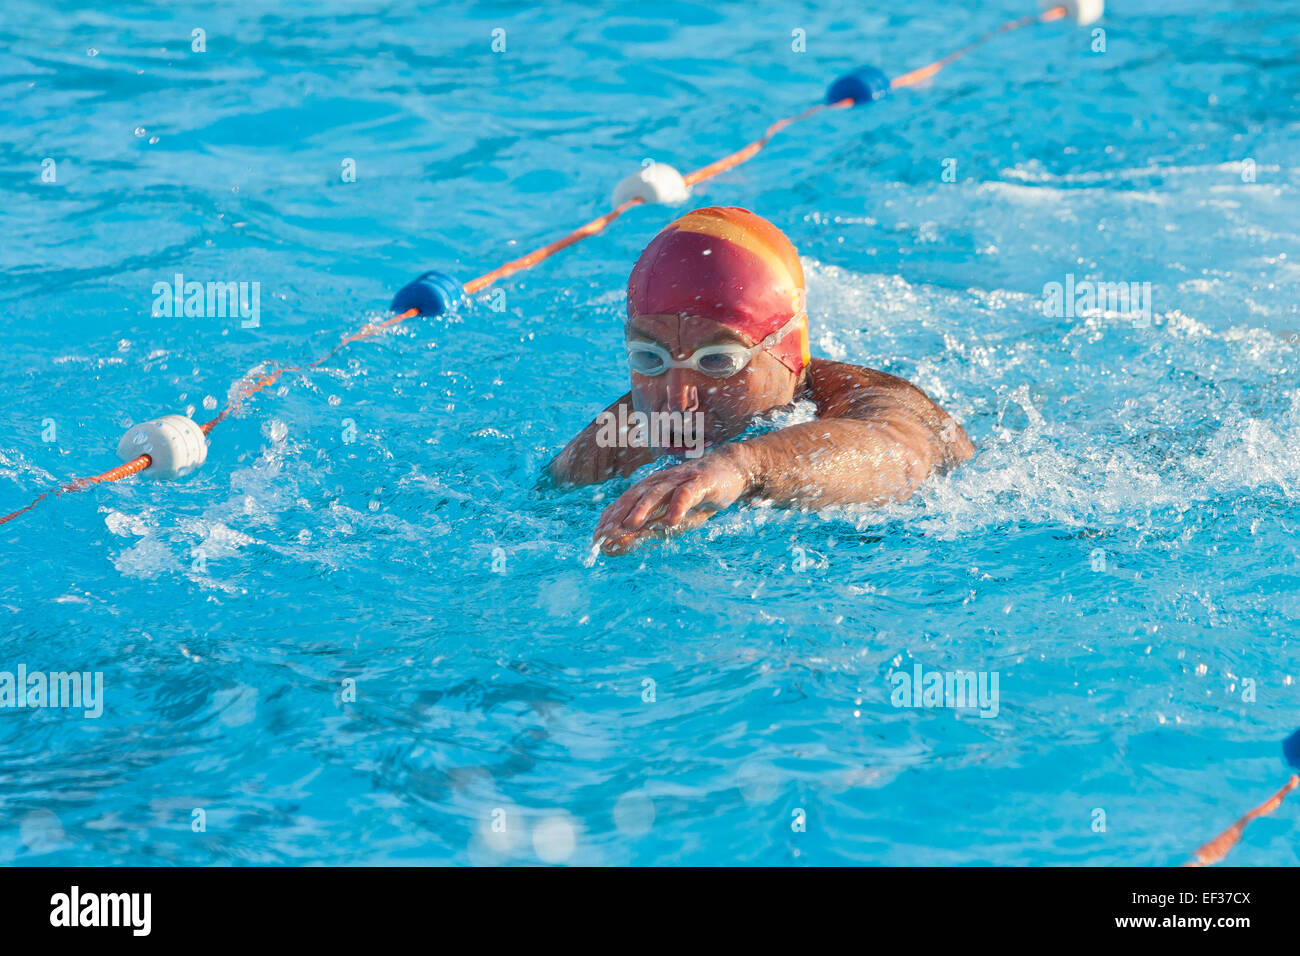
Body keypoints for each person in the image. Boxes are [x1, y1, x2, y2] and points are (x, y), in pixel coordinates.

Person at [549, 206, 973, 554]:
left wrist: (743, 468)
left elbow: (901, 454)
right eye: (649, 357)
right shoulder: (619, 440)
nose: (677, 401)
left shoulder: (868, 400)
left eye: (717, 360)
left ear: (788, 354)